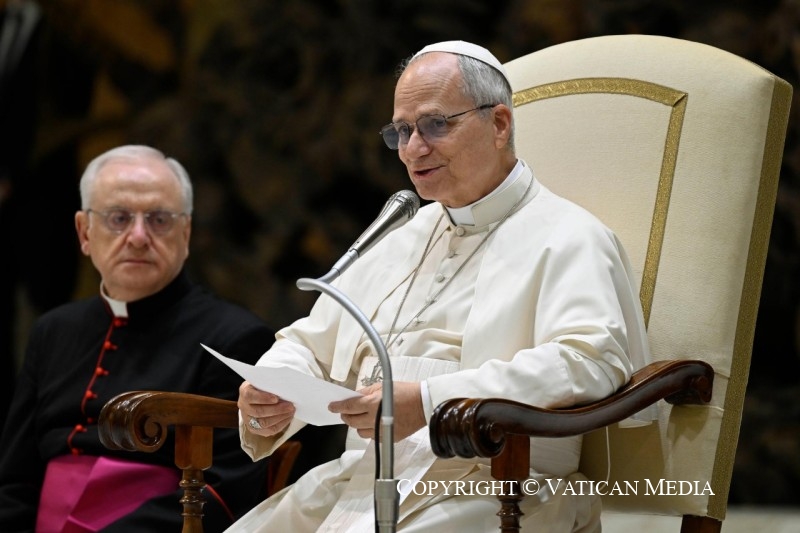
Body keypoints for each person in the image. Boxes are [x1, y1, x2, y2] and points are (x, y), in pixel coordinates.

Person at [230, 41, 651, 532]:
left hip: (496, 486)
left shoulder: (570, 236)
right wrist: (271, 386)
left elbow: (591, 360)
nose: (412, 150)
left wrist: (430, 402)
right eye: (402, 131)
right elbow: (309, 342)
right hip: (363, 479)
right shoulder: (402, 233)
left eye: (434, 125)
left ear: (499, 125)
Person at [0, 145, 276, 532]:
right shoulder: (53, 330)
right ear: (84, 232)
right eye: (118, 218)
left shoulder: (235, 338)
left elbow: (227, 493)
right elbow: (14, 480)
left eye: (160, 219)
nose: (139, 236)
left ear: (187, 232)